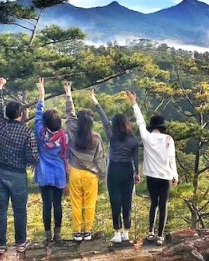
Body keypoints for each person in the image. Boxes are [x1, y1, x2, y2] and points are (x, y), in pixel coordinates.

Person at [0, 77, 38, 255]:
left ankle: (1, 245)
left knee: (0, 210)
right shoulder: (27, 132)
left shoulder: (0, 126)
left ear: (7, 114)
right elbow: (33, 156)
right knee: (20, 210)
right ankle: (20, 242)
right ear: (20, 115)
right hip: (18, 175)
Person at [127, 91, 178, 245]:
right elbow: (171, 160)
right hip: (165, 177)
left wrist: (134, 103)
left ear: (152, 126)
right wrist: (175, 175)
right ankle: (160, 236)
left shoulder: (147, 137)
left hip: (151, 177)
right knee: (163, 206)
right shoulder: (169, 139)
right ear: (162, 127)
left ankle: (150, 232)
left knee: (153, 203)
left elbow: (140, 122)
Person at [63, 81, 107, 242]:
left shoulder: (72, 131)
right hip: (90, 175)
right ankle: (87, 232)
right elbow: (100, 158)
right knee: (89, 204)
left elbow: (70, 114)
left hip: (74, 172)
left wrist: (68, 94)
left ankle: (77, 232)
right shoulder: (96, 137)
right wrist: (102, 175)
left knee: (75, 203)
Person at [93, 91, 140, 245]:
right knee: (127, 202)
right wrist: (137, 173)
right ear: (127, 124)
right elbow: (135, 159)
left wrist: (95, 101)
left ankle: (117, 233)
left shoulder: (112, 136)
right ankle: (126, 232)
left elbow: (104, 120)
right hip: (128, 171)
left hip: (113, 171)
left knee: (115, 202)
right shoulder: (133, 140)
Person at [35, 78, 68, 244]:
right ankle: (58, 234)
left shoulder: (40, 133)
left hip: (43, 172)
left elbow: (37, 117)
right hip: (59, 173)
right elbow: (66, 155)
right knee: (58, 204)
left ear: (45, 123)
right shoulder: (63, 137)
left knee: (46, 205)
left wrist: (41, 95)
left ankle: (47, 236)